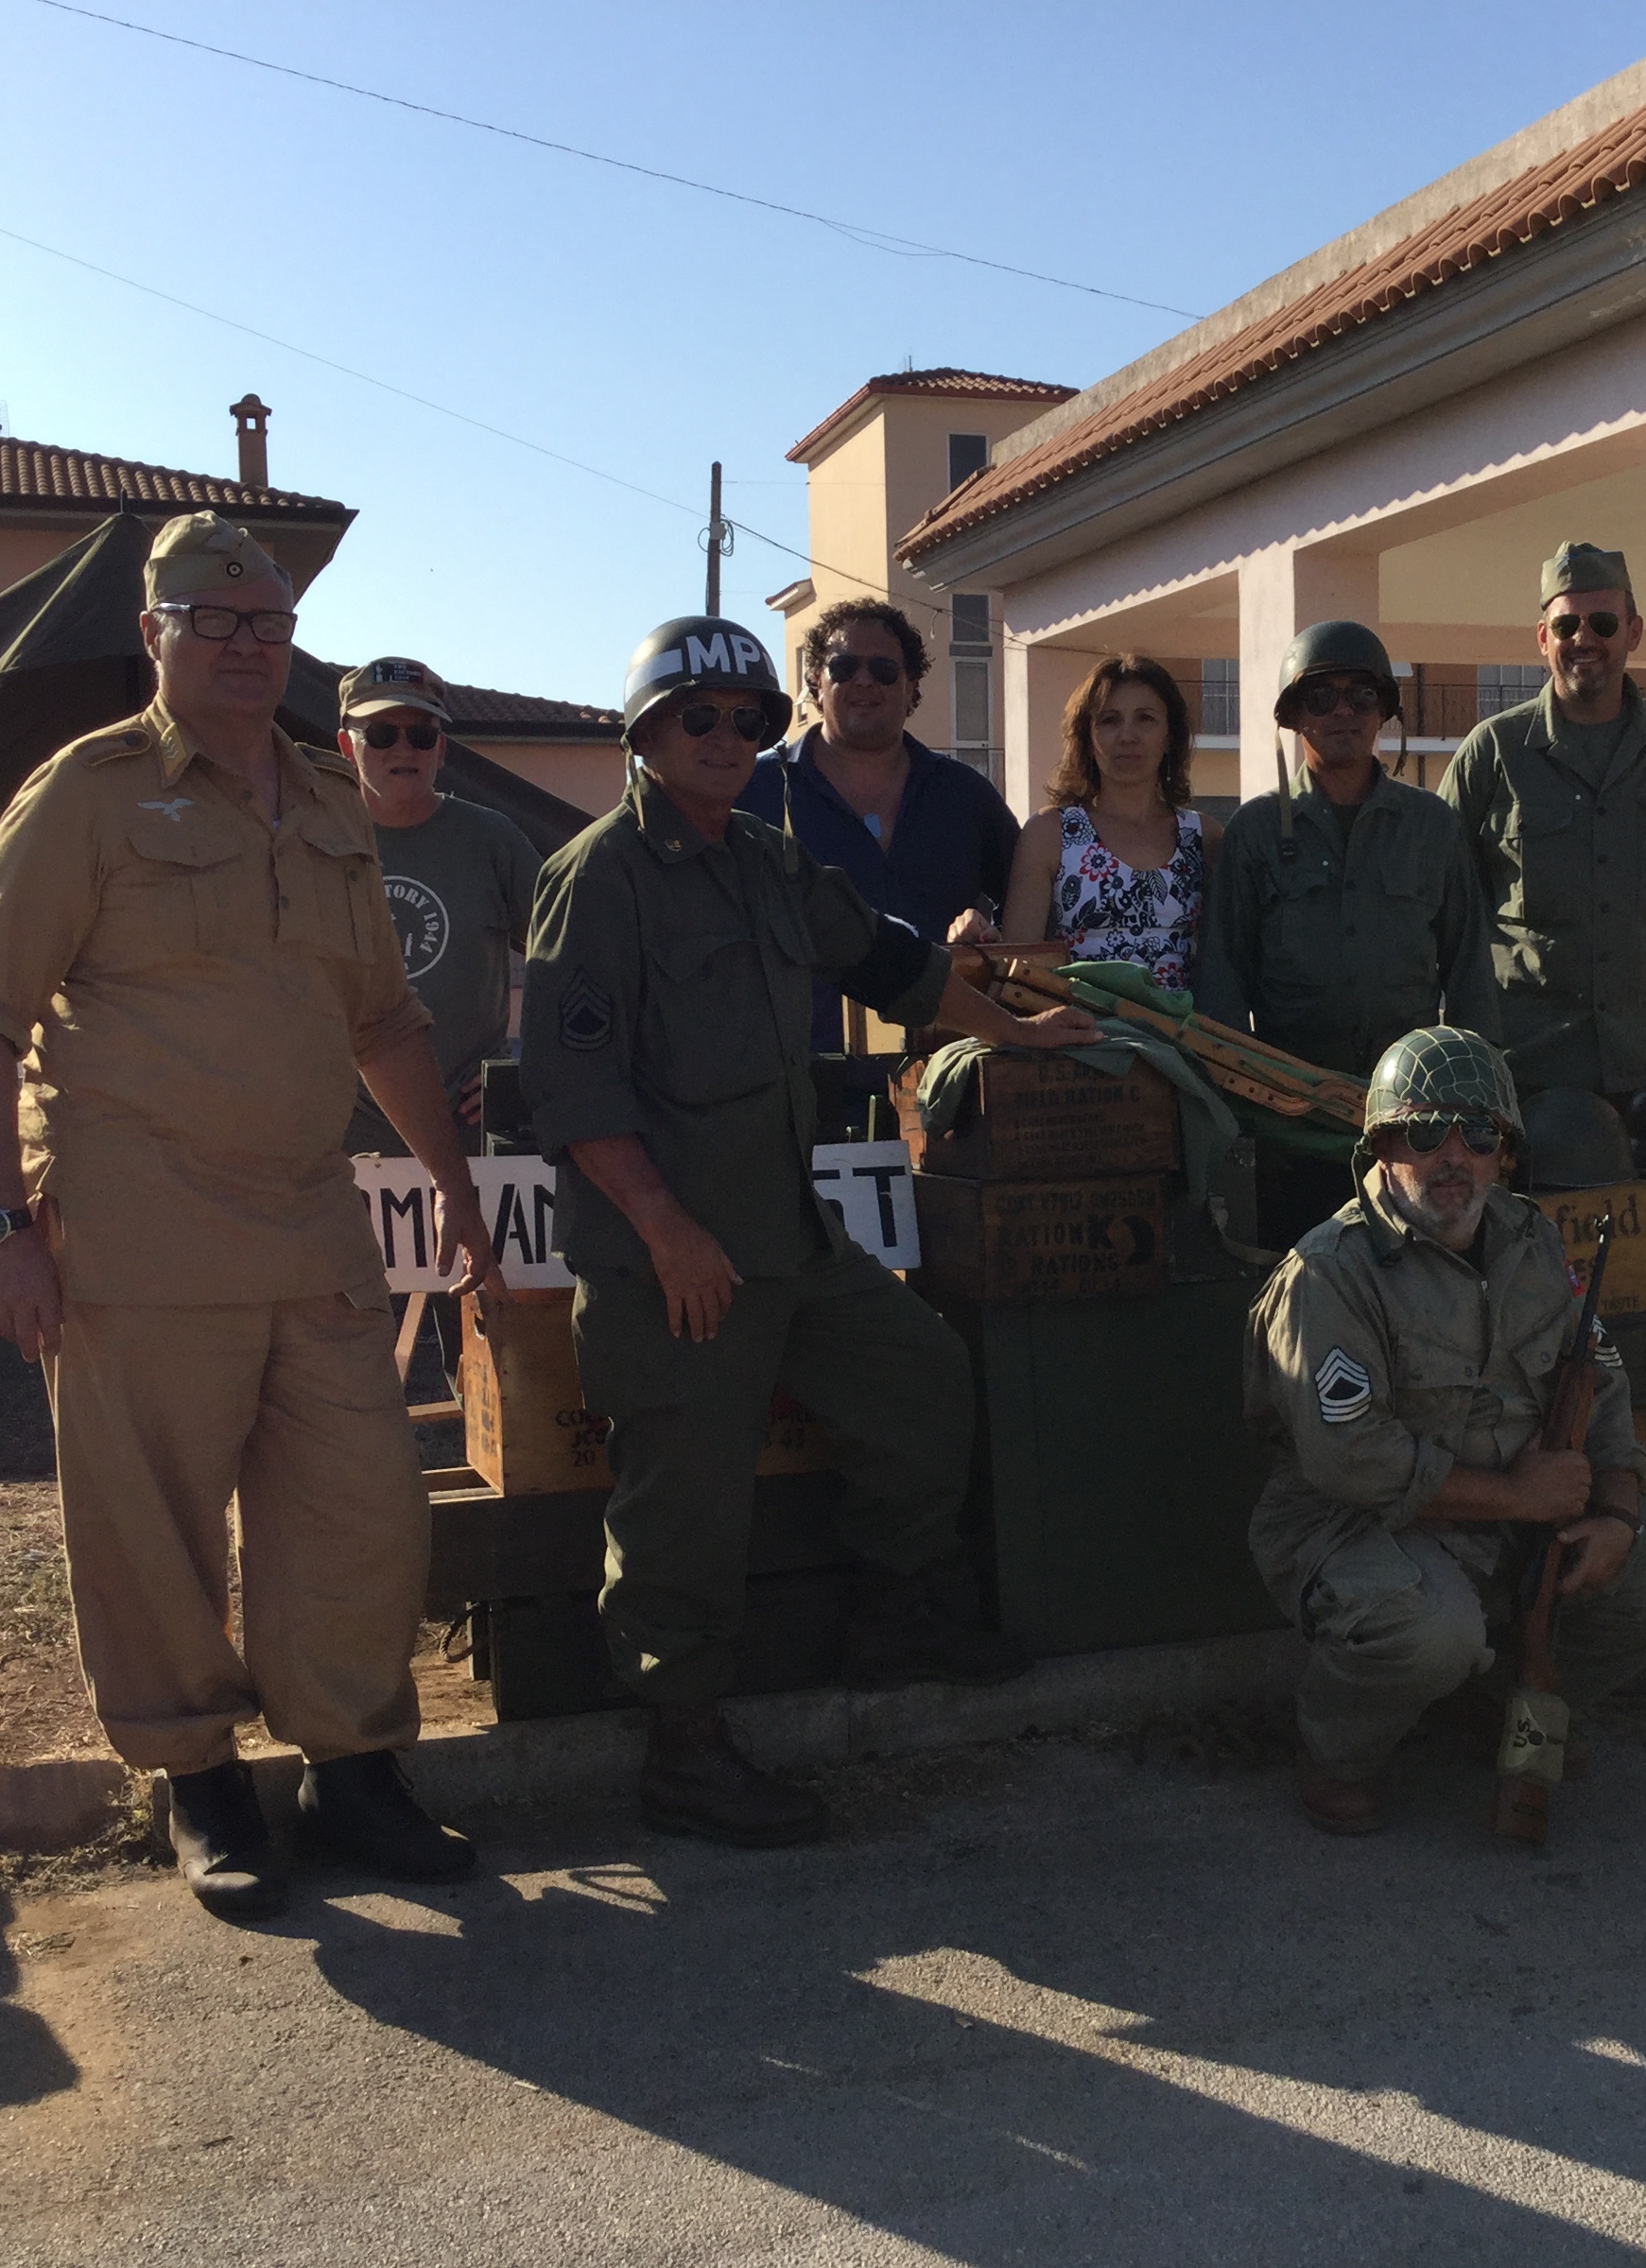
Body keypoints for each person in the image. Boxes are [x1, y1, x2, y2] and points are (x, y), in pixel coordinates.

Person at [0, 511, 496, 1921]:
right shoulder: (85, 797)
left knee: (359, 1511)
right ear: (156, 636)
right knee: (152, 1530)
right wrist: (1, 1227)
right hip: (138, 1233)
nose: (247, 646)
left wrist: (453, 1180)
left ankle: (357, 1767)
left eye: (269, 626)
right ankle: (200, 1782)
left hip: (309, 1226)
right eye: (215, 622)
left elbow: (383, 1018)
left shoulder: (326, 799)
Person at [518, 615, 1100, 1846]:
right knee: (684, 1506)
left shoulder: (768, 861)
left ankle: (895, 1621)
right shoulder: (597, 878)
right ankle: (683, 1749)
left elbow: (892, 965)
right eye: (697, 719)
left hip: (789, 1232)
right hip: (669, 1253)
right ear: (645, 735)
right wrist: (668, 1230)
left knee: (923, 1383)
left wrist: (1021, 1035)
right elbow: (575, 1092)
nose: (726, 740)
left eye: (746, 720)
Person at [1244, 1026, 1646, 1833]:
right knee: (1432, 1632)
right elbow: (1351, 1460)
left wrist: (1613, 1511)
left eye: (1478, 1136)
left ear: (1503, 1155)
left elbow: (1599, 1388)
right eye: (1426, 1132)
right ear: (1382, 1146)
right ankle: (1335, 1752)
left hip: (1519, 1521)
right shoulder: (1330, 1273)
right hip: (1364, 1526)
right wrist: (1517, 1495)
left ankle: (1503, 1699)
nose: (1453, 1157)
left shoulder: (1532, 1241)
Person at [1199, 619, 1500, 1243]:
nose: (1343, 711)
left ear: (1384, 711)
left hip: (1412, 1125)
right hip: (1292, 1124)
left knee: (1420, 1284)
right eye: (1321, 697)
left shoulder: (1431, 827)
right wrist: (1239, 1112)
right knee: (1305, 1289)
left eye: (1361, 696)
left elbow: (1469, 972)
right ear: (1293, 716)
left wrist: (1478, 1112)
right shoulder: (1254, 834)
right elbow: (1224, 978)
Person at [1437, 542, 1646, 1100]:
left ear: (1634, 631)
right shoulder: (1493, 751)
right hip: (1531, 1070)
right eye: (1566, 624)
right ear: (1543, 636)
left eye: (1602, 622)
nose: (1584, 640)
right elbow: (1447, 899)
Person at [738, 597, 1020, 1137]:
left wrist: (990, 937)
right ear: (816, 683)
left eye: (884, 670)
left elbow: (1031, 912)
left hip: (948, 1092)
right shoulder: (754, 790)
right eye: (844, 667)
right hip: (795, 1097)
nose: (864, 681)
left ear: (913, 689)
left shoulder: (966, 797)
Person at [336, 655, 542, 1159]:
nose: (403, 748)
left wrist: (539, 1063)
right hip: (344, 1147)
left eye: (421, 735)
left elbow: (575, 960)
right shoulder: (314, 840)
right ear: (347, 745)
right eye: (382, 733)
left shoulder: (491, 840)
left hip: (473, 1138)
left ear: (441, 749)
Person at [1004, 655, 1216, 992]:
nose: (1127, 736)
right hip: (1082, 1034)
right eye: (1109, 720)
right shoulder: (1050, 834)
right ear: (1087, 739)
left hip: (1181, 1037)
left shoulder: (1205, 837)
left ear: (1170, 736)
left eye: (1145, 719)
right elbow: (1018, 966)